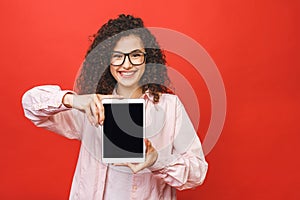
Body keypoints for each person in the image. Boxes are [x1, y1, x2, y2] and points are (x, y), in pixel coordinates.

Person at [22, 14, 208, 200]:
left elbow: (198, 173)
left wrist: (157, 161)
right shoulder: (90, 106)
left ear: (147, 58)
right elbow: (30, 105)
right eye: (117, 56)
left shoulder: (169, 107)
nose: (127, 65)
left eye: (135, 55)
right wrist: (72, 100)